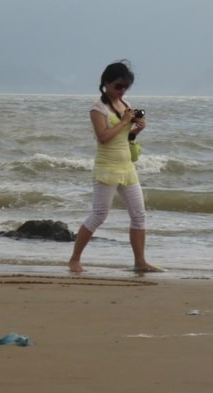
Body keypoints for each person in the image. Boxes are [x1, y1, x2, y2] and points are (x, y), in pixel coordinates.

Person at [68, 60, 161, 273]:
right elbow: (103, 137)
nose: (122, 90)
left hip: (127, 166)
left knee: (139, 215)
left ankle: (140, 261)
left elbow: (125, 137)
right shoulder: (97, 108)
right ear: (106, 83)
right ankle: (74, 259)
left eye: (125, 86)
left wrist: (137, 129)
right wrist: (123, 121)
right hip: (107, 167)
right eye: (118, 86)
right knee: (99, 214)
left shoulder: (125, 104)